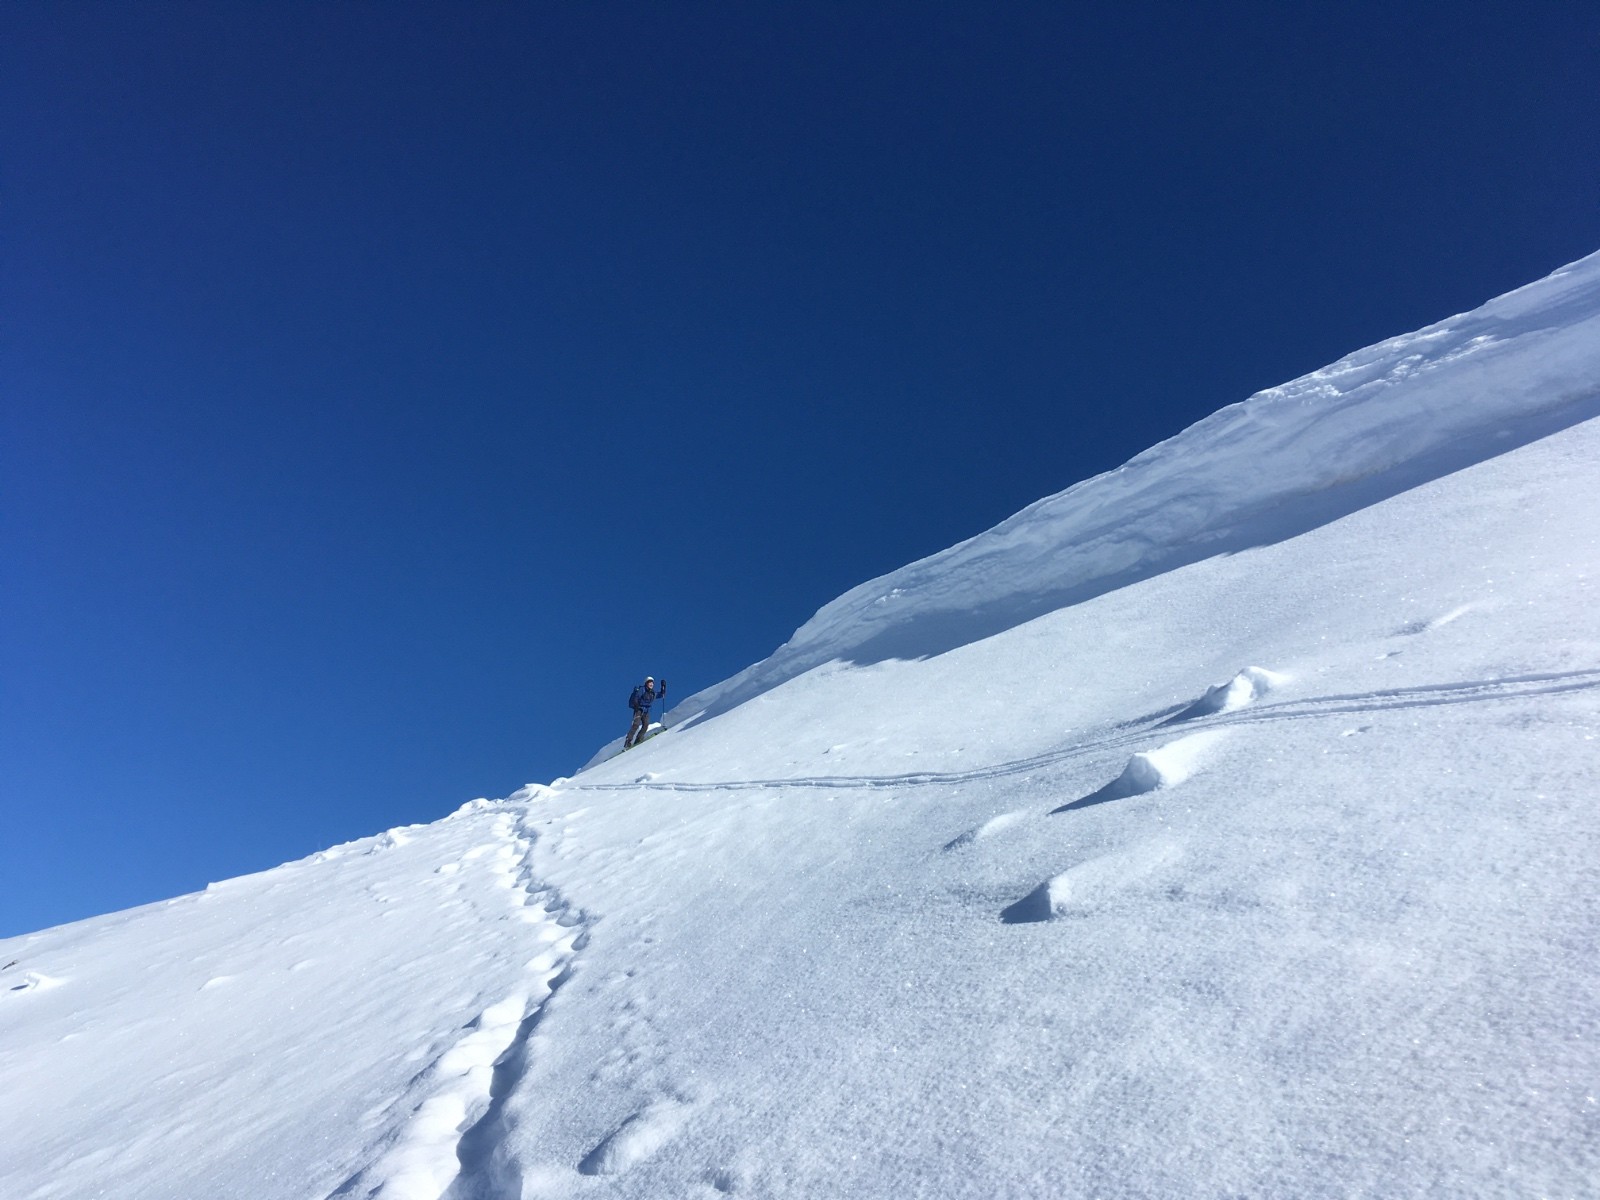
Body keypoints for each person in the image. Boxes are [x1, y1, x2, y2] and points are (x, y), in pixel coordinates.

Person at [624, 675, 666, 749]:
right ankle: (628, 741)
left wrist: (663, 687)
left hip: (646, 711)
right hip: (639, 710)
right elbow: (636, 697)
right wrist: (636, 706)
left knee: (646, 725)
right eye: (650, 682)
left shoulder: (652, 693)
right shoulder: (642, 689)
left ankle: (638, 739)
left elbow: (661, 695)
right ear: (646, 683)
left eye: (652, 683)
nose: (651, 684)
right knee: (636, 725)